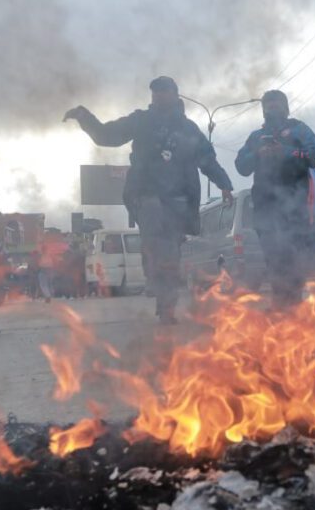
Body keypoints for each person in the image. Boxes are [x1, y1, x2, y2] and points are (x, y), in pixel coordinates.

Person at [65, 76, 234, 324]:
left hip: (178, 200)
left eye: (165, 91)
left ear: (176, 95)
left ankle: (167, 305)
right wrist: (83, 116)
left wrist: (225, 184)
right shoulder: (141, 121)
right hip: (145, 195)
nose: (159, 96)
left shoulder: (188, 129)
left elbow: (207, 159)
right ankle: (155, 281)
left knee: (171, 253)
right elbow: (106, 136)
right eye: (155, 92)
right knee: (153, 235)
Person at [235, 90, 315, 307]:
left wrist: (285, 152)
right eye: (267, 107)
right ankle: (280, 304)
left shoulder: (299, 129)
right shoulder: (256, 137)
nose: (271, 110)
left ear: (285, 108)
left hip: (295, 207)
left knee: (293, 255)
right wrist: (258, 154)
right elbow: (241, 166)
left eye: (275, 106)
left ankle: (293, 303)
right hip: (265, 208)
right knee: (273, 257)